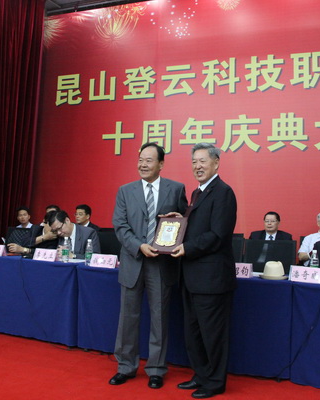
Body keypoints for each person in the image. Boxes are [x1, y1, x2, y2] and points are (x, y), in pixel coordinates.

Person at [109, 142, 187, 390]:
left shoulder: (176, 189)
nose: (142, 164)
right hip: (133, 261)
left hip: (162, 265)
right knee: (127, 318)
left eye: (148, 160)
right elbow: (120, 225)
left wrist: (180, 221)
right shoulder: (125, 191)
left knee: (159, 319)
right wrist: (139, 246)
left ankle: (156, 369)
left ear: (161, 164)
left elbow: (185, 222)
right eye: (140, 160)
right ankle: (125, 366)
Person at [171, 143, 237, 399]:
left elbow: (218, 235)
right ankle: (200, 375)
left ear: (216, 162)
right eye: (194, 162)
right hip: (191, 277)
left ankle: (215, 382)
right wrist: (177, 221)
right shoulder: (197, 193)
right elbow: (196, 227)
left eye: (202, 161)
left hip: (212, 279)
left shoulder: (223, 192)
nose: (197, 166)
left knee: (213, 334)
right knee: (194, 332)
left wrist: (187, 247)